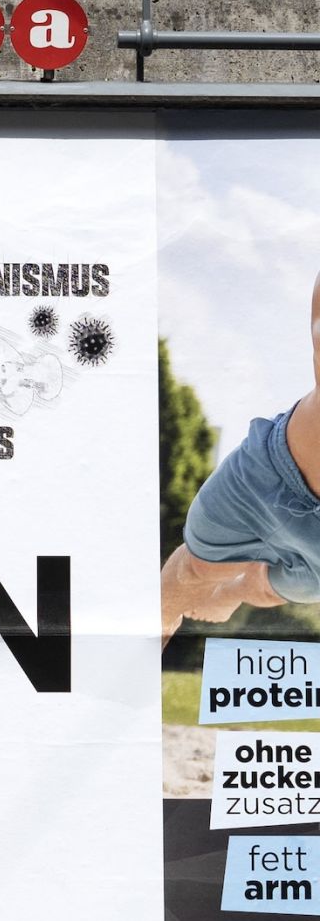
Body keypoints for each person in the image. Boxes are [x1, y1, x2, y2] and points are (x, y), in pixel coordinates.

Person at [162, 271, 320, 643]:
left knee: (264, 589)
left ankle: (232, 593)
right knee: (193, 570)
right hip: (271, 475)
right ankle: (142, 653)